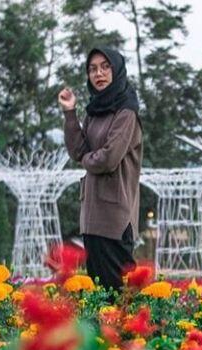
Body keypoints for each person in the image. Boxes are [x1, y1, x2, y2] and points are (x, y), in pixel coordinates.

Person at [58, 46, 142, 291]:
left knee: (121, 294)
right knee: (100, 298)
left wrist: (87, 158)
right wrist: (70, 113)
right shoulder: (96, 111)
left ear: (117, 70)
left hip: (115, 217)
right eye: (93, 69)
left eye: (105, 67)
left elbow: (108, 159)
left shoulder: (126, 112)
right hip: (92, 215)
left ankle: (136, 331)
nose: (99, 73)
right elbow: (77, 150)